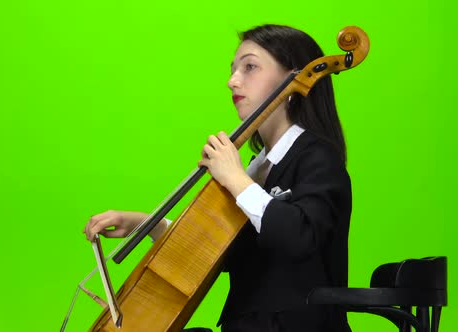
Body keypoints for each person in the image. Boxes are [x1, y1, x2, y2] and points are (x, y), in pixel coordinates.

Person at [84, 24, 352, 332]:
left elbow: (299, 238)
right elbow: (221, 251)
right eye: (233, 69)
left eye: (250, 67)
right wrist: (146, 224)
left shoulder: (317, 158)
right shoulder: (257, 166)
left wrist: (235, 179)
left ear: (292, 79)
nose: (232, 81)